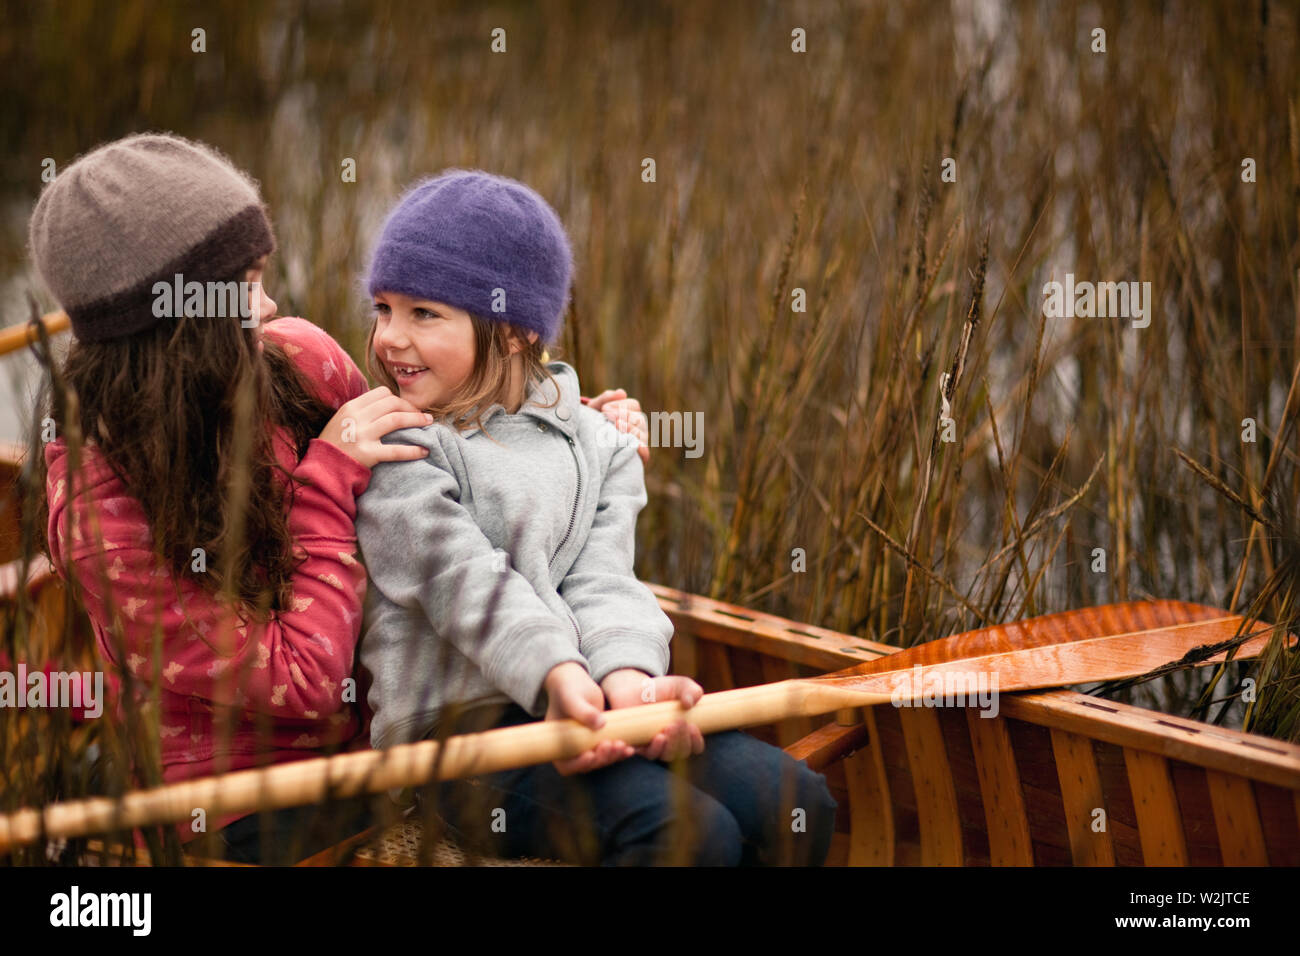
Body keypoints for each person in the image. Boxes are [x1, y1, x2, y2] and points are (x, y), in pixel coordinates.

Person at [26, 133, 650, 864]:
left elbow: (436, 458)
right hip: (245, 808)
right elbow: (305, 681)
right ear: (176, 320)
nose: (274, 303)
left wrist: (574, 435)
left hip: (391, 734)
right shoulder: (102, 516)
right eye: (249, 283)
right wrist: (325, 481)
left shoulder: (298, 357)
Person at [357, 170, 837, 865]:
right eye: (382, 308)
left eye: (422, 313)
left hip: (587, 695)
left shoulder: (597, 442)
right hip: (459, 745)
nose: (390, 339)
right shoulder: (401, 446)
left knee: (793, 801)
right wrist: (559, 678)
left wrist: (629, 685)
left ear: (516, 331)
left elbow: (603, 579)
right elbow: (464, 584)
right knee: (687, 835)